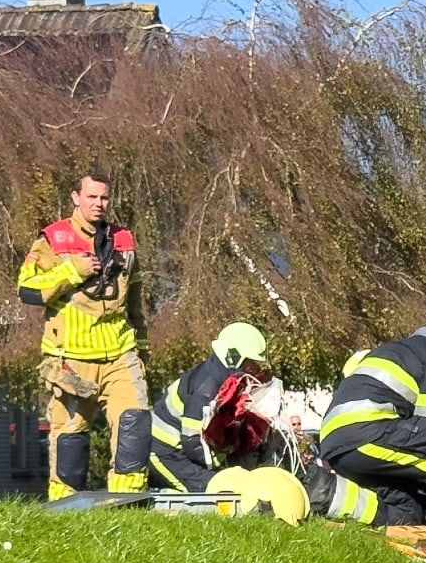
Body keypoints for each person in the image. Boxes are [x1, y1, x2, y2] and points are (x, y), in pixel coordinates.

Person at [14, 170, 151, 497]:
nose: (99, 203)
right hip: (71, 360)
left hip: (120, 355)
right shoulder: (53, 239)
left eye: (104, 197)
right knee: (70, 437)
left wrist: (142, 349)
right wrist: (72, 270)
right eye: (91, 197)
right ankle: (65, 507)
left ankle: (128, 504)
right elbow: (27, 290)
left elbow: (135, 300)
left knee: (134, 425)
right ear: (76, 197)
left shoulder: (124, 240)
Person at [318, 306, 426, 537]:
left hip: (336, 440)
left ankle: (323, 495)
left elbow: (424, 440)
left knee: (408, 509)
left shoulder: (404, 349)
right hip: (369, 431)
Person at [150, 323, 275, 492]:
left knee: (227, 486)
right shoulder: (208, 387)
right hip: (166, 451)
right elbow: (192, 441)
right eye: (251, 363)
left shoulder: (223, 379)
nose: (254, 369)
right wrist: (220, 462)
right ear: (233, 357)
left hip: (179, 451)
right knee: (214, 491)